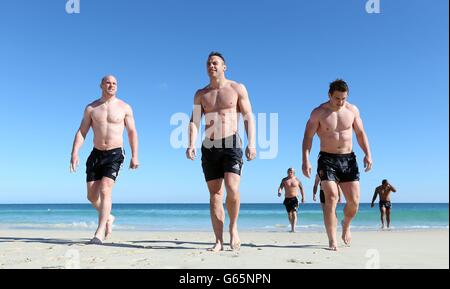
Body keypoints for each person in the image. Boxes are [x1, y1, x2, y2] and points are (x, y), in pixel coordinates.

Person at [186, 52, 256, 252]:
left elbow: (248, 116)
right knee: (215, 194)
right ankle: (218, 240)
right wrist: (191, 144)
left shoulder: (236, 88)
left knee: (232, 188)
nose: (211, 65)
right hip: (209, 145)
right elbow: (194, 121)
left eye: (215, 63)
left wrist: (252, 143)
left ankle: (233, 229)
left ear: (224, 67)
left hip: (231, 142)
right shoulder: (201, 94)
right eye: (208, 63)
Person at [302, 79, 372, 251]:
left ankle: (346, 224)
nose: (340, 102)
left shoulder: (352, 110)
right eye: (337, 98)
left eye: (343, 98)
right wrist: (306, 159)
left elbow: (361, 133)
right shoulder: (318, 113)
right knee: (332, 197)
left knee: (354, 202)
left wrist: (368, 154)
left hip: (348, 159)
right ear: (329, 95)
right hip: (327, 159)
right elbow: (308, 137)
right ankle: (332, 240)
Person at [70, 75, 139, 244]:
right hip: (96, 153)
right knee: (92, 196)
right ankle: (108, 217)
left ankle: (99, 233)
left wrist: (135, 155)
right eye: (108, 82)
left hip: (115, 153)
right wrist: (74, 153)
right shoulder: (91, 108)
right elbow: (82, 131)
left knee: (106, 189)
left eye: (114, 83)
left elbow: (132, 132)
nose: (111, 85)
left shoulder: (125, 107)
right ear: (101, 85)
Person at [277, 168, 305, 233]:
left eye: (291, 172)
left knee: (294, 213)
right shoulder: (284, 180)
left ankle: (293, 229)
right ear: (287, 172)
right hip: (287, 198)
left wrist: (303, 197)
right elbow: (281, 187)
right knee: (289, 214)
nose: (290, 173)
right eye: (289, 171)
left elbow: (301, 189)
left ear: (294, 172)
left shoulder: (297, 180)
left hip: (295, 198)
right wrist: (279, 192)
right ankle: (292, 226)